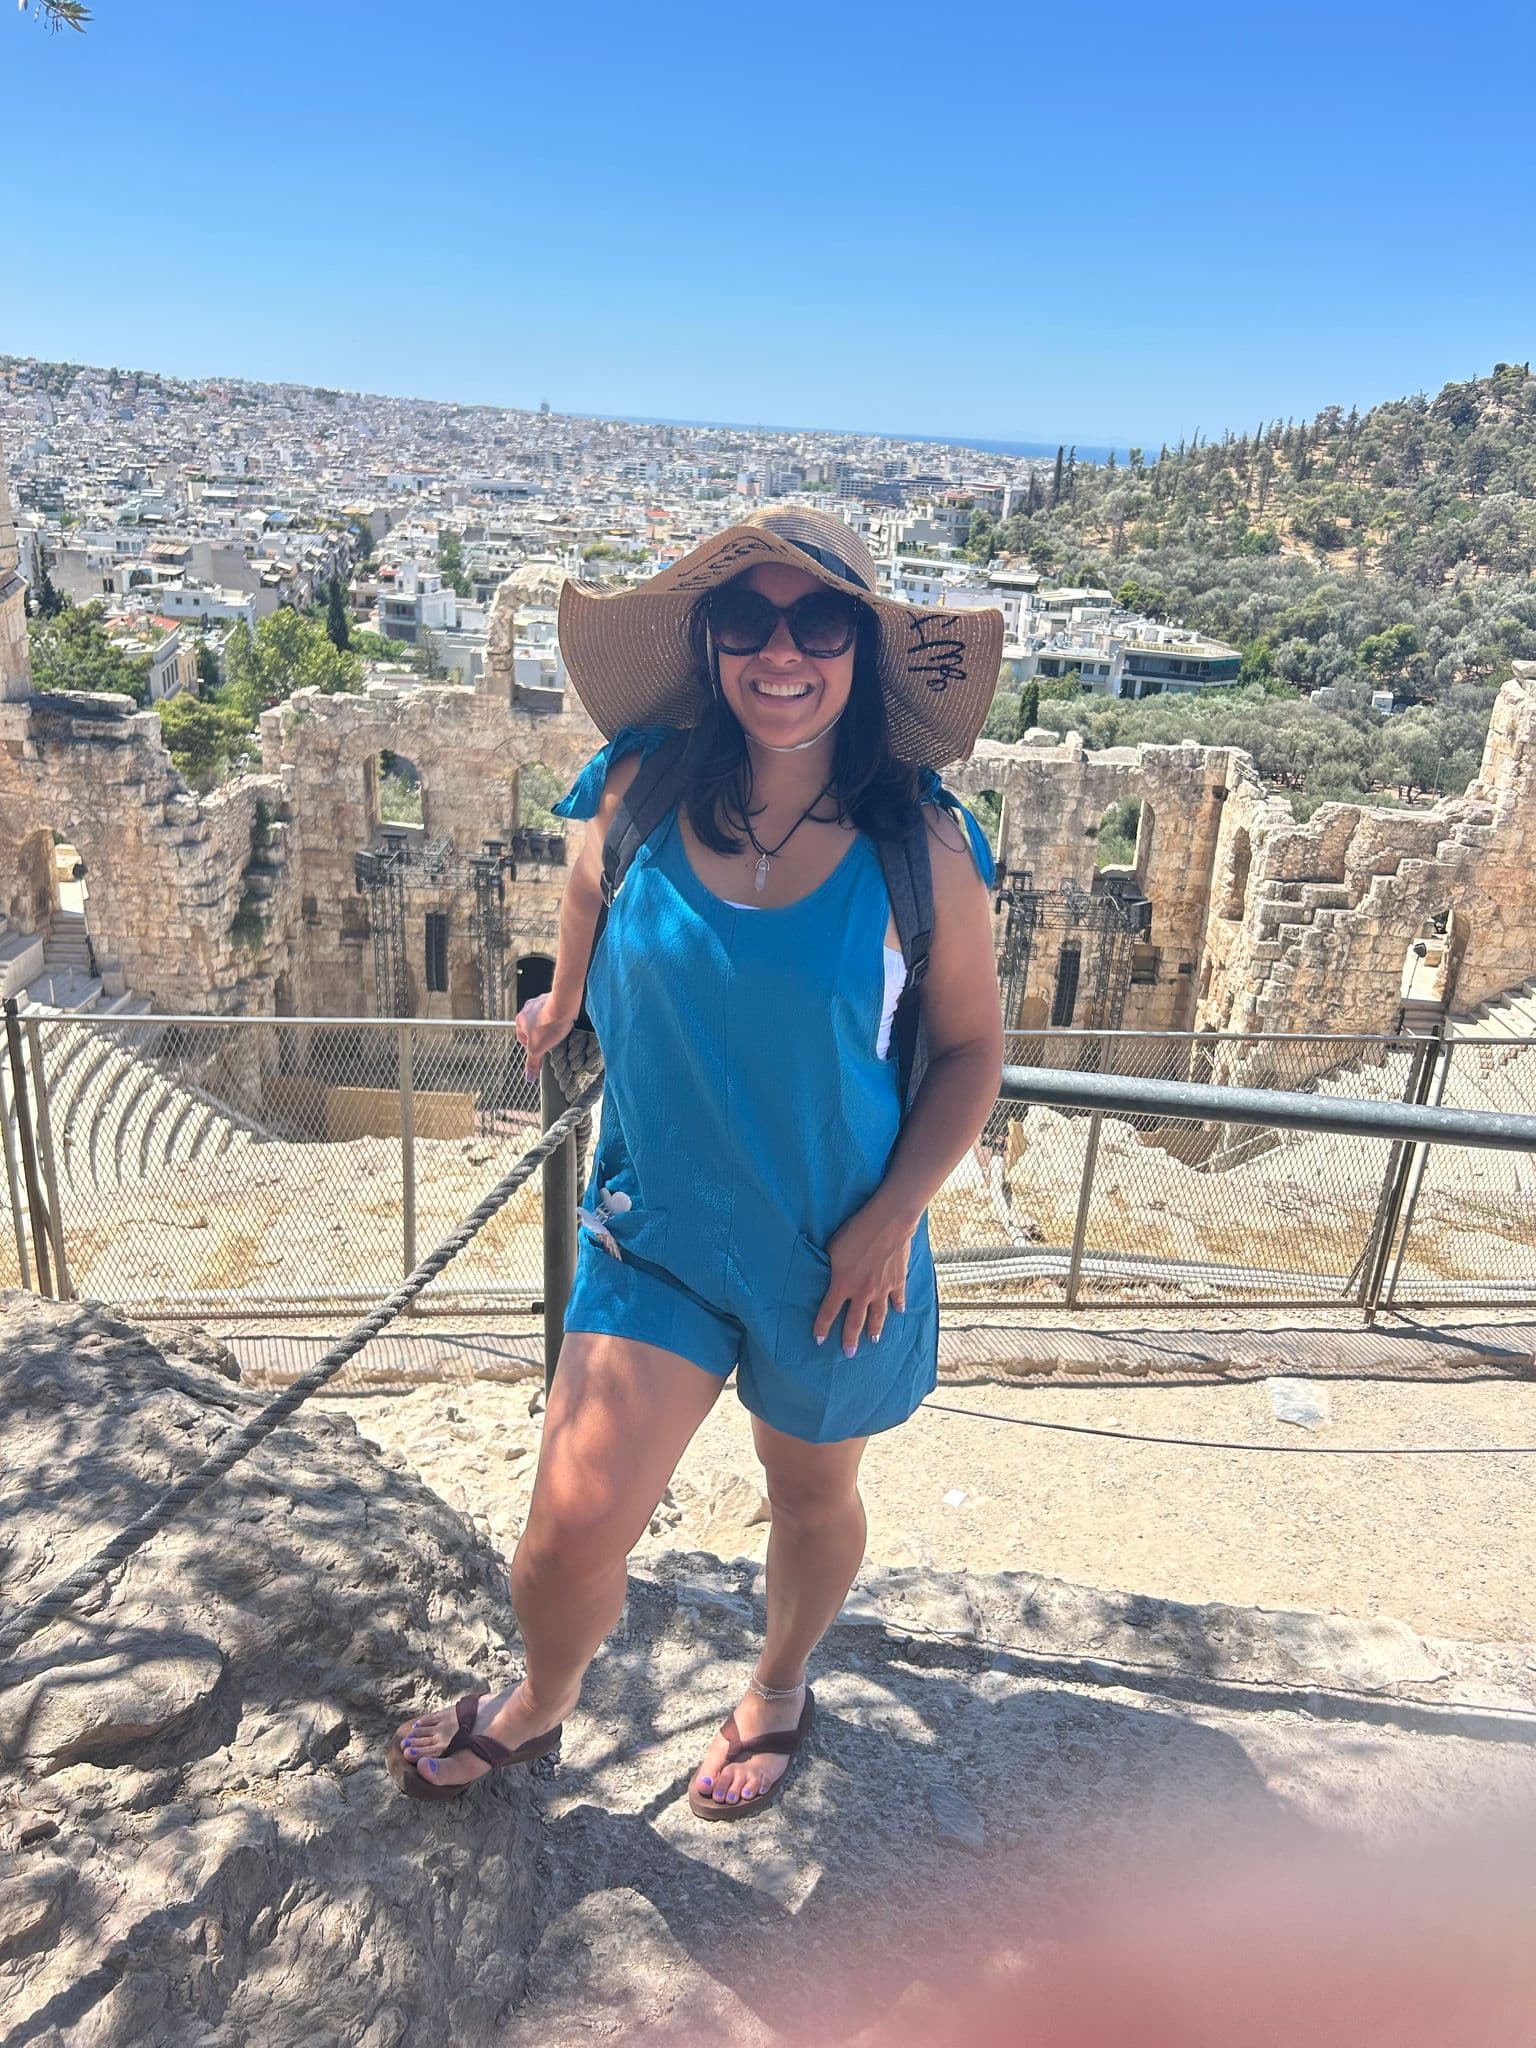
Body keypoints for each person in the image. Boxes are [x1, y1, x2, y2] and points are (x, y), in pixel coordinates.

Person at [391, 506, 1004, 1818]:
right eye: (748, 622)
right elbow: (588, 885)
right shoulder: (643, 787)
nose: (781, 655)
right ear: (711, 642)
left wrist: (895, 1217)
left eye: (818, 622)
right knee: (566, 1535)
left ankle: (779, 1684)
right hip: (655, 1233)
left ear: (861, 646)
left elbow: (967, 1055)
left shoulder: (924, 849)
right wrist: (563, 1001)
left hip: (835, 1251)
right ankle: (542, 1701)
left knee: (807, 1491)